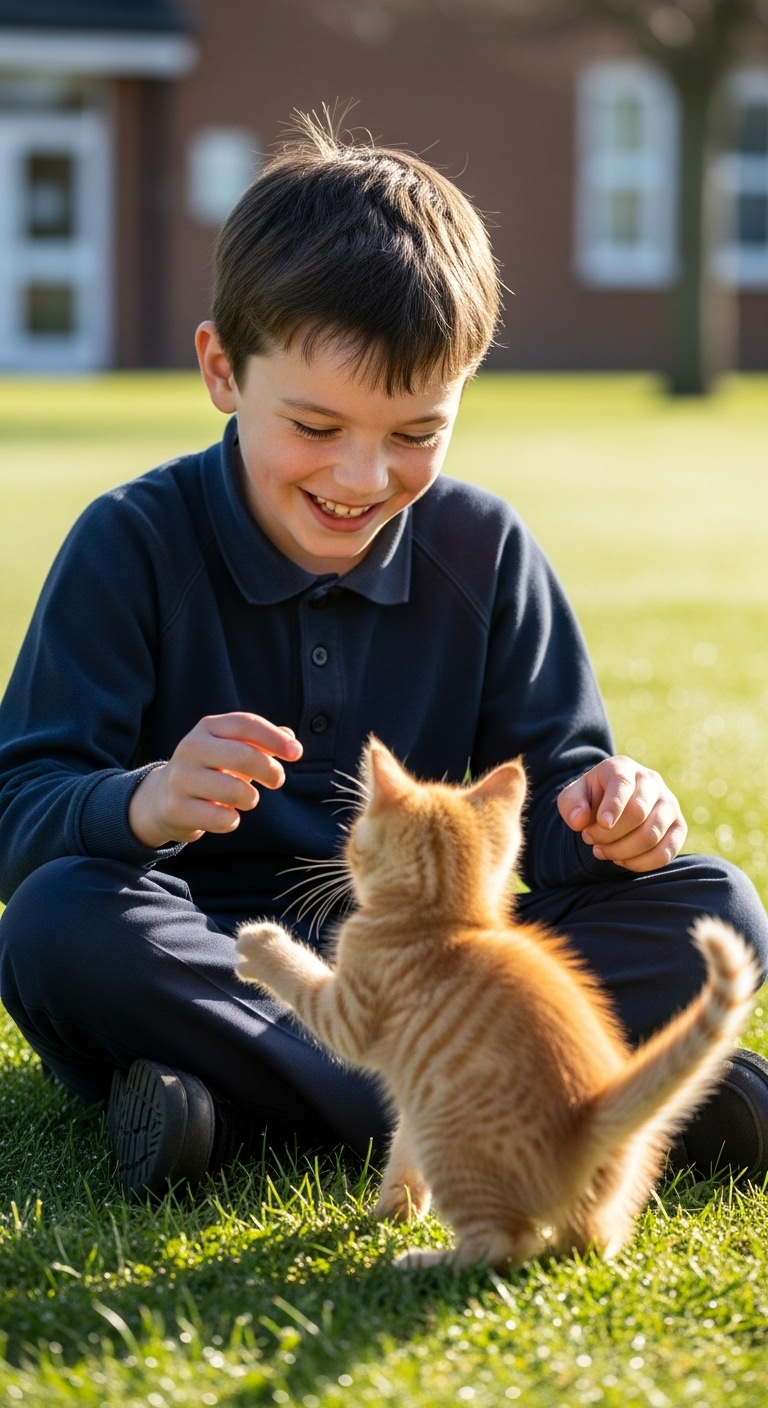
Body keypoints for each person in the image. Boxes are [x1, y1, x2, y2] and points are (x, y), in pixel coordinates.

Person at [1, 115, 767, 1200]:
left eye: (416, 434)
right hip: (217, 950)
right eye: (315, 426)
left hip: (444, 965)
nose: (361, 476)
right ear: (223, 369)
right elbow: (17, 809)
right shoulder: (131, 544)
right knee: (58, 922)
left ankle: (231, 1120)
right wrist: (145, 801)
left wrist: (611, 814)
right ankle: (554, 1114)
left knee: (714, 908)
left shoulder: (485, 550)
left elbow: (547, 812)